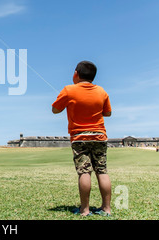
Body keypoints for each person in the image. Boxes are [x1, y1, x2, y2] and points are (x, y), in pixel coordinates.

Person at [51, 61, 112, 216]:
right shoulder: (102, 91)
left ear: (76, 74)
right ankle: (106, 208)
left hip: (79, 137)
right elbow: (107, 113)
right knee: (102, 171)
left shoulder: (69, 90)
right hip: (99, 136)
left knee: (84, 172)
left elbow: (55, 110)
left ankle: (84, 210)